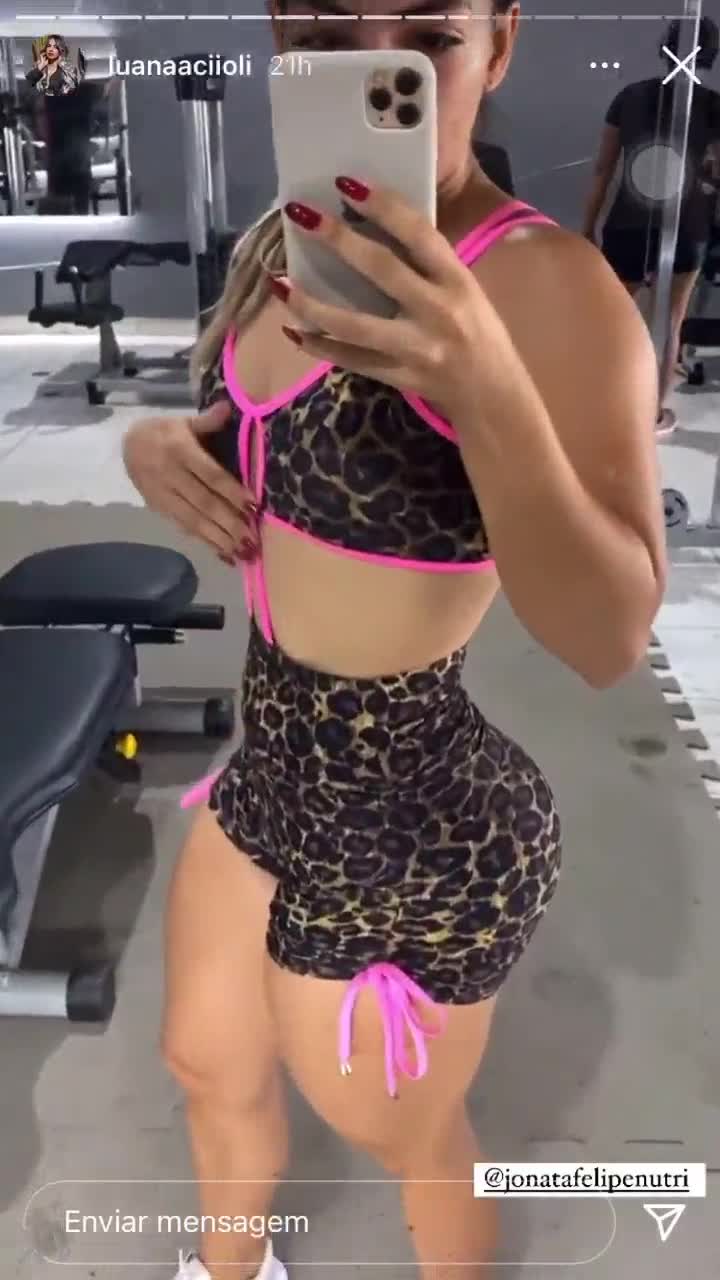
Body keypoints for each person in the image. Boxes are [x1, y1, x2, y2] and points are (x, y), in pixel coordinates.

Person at [122, 3, 666, 1278]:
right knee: (204, 1059)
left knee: (407, 1135)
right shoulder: (286, 241)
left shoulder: (544, 285)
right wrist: (156, 445)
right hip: (272, 764)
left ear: (502, 44)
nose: (380, 69)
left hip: (418, 816)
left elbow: (608, 636)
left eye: (428, 33)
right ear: (281, 40)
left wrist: (485, 384)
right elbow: (263, 439)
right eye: (328, 31)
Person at [583, 16, 720, 438]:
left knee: (615, 319)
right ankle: (651, 416)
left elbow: (604, 169)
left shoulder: (630, 96)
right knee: (671, 323)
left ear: (667, 47)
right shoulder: (714, 106)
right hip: (688, 224)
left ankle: (604, 405)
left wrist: (588, 225)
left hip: (628, 221)